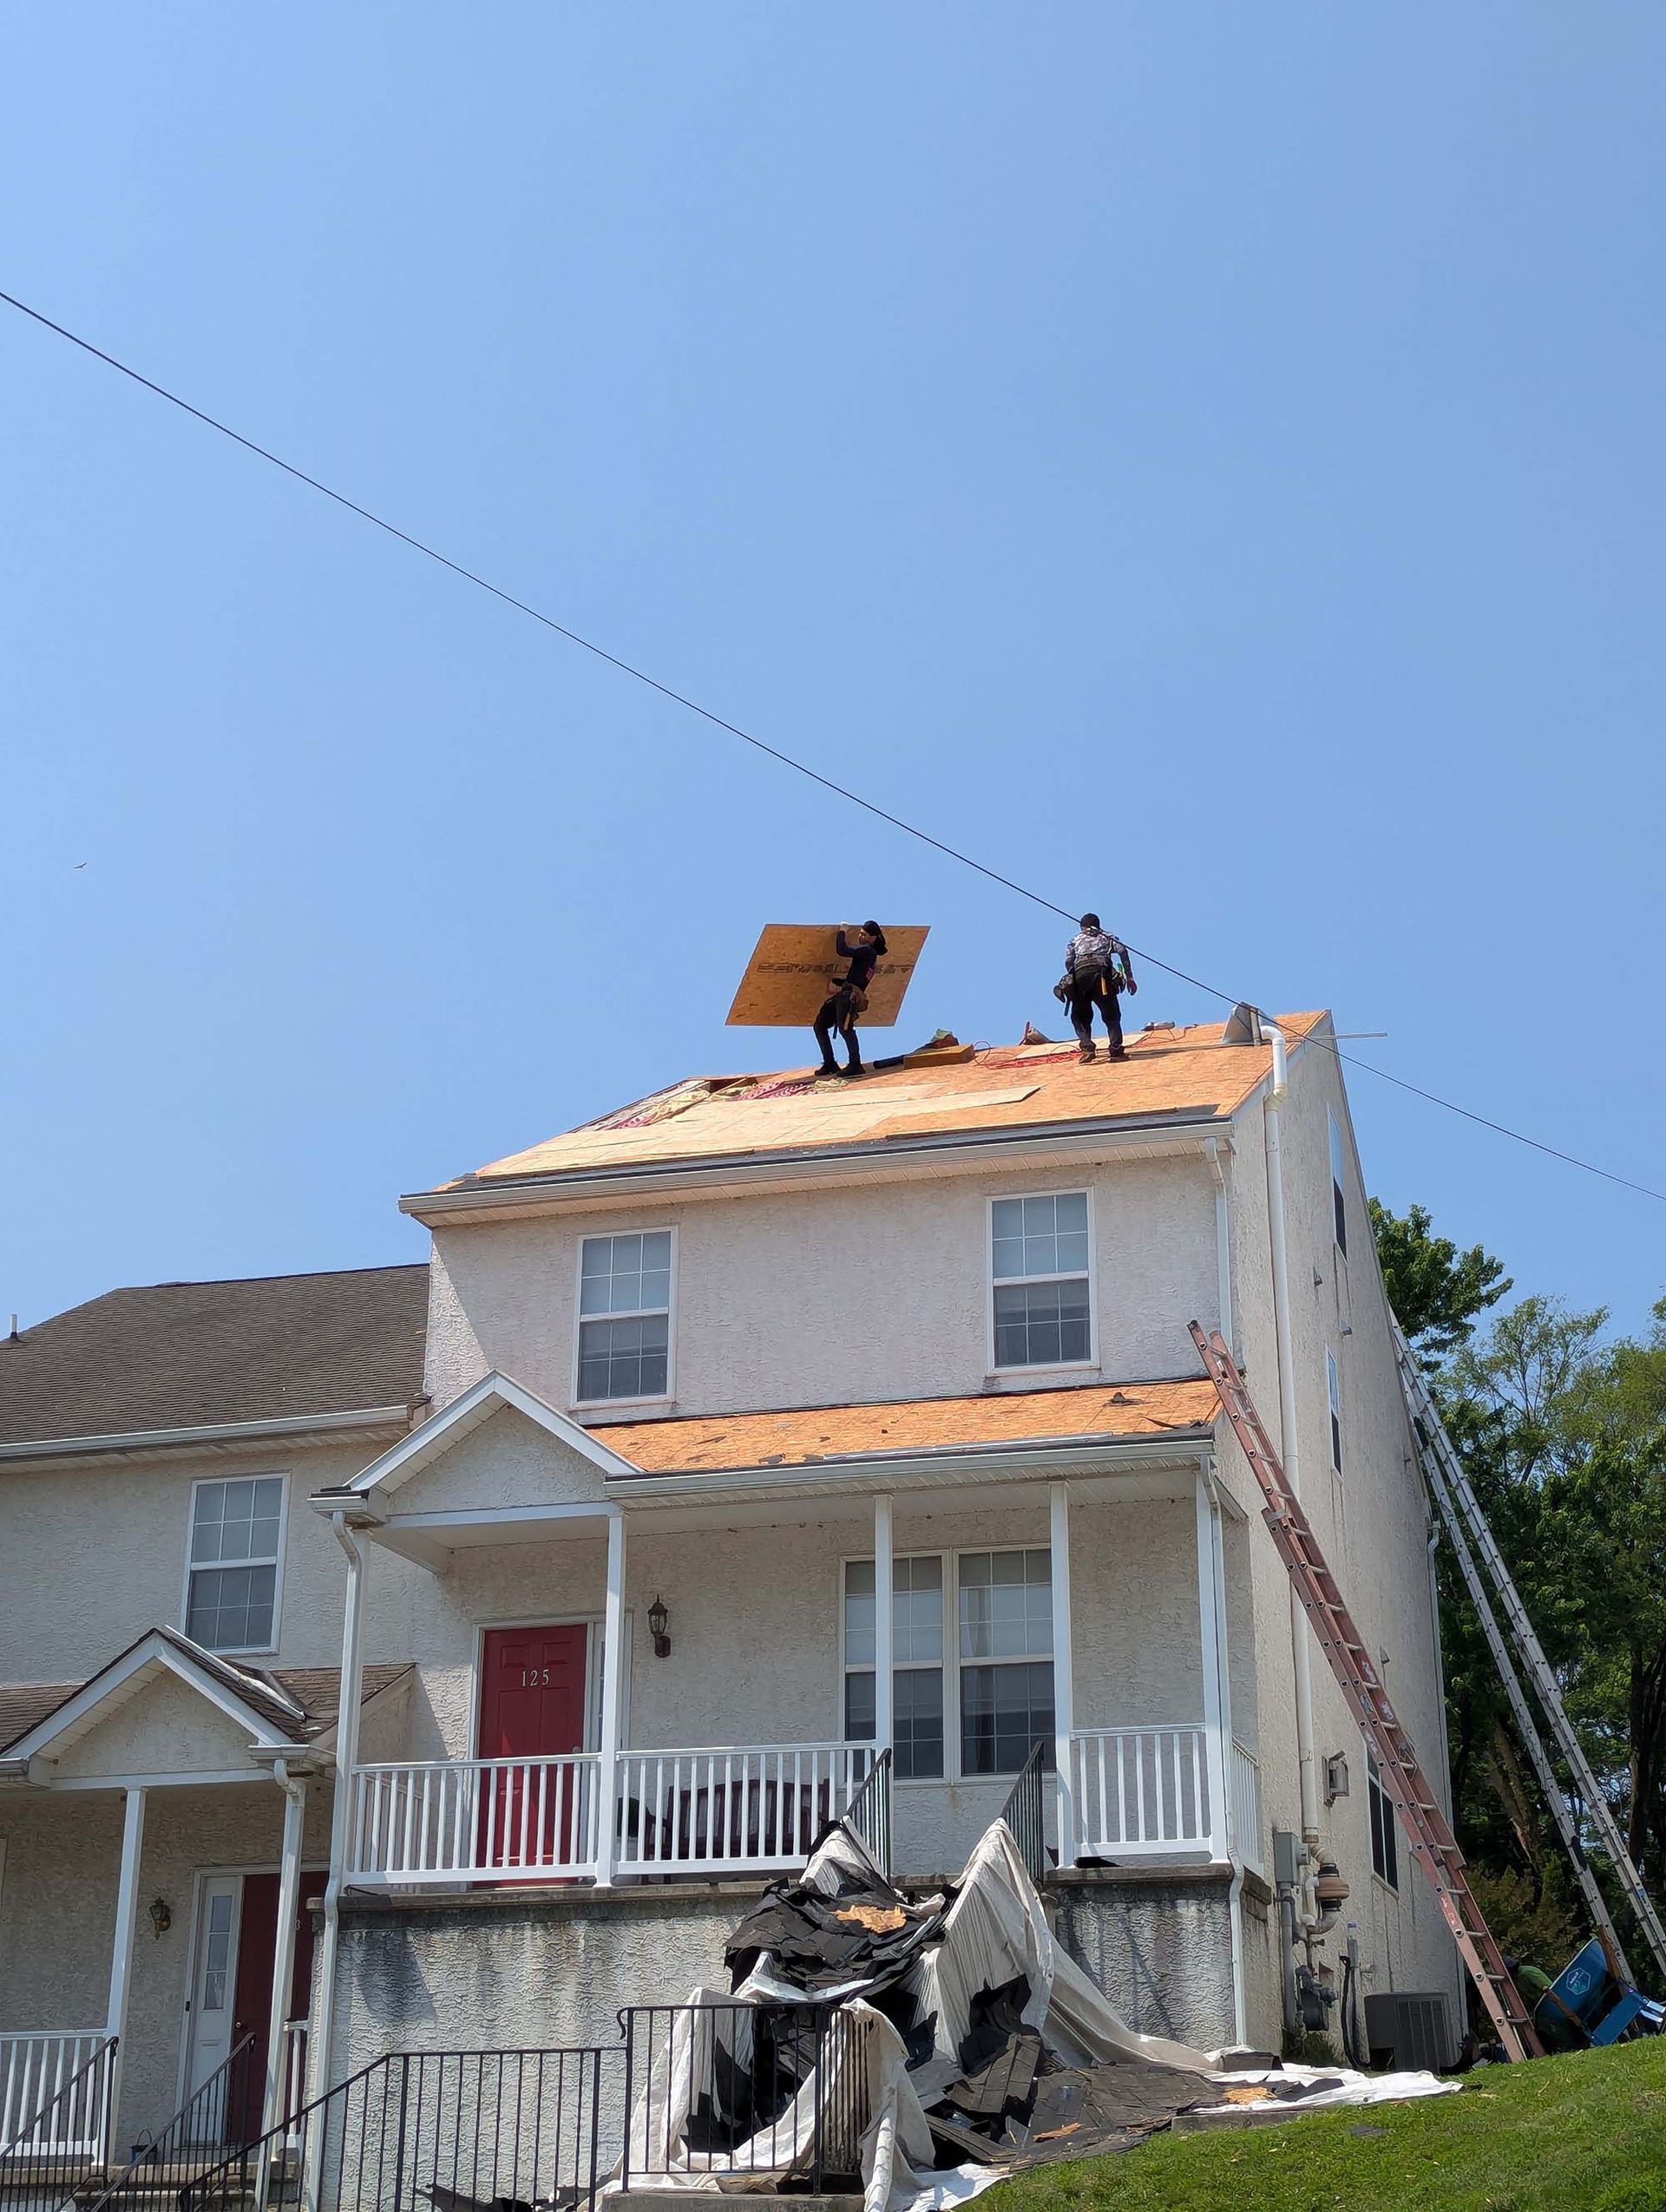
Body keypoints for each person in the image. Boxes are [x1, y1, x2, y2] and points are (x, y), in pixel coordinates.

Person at [814, 922, 888, 1077]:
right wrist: (838, 982)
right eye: (860, 934)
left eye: (864, 935)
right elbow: (857, 977)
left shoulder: (868, 951)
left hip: (849, 997)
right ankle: (829, 1064)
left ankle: (855, 1064)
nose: (861, 937)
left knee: (846, 1029)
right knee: (820, 1025)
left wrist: (842, 931)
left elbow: (842, 950)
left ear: (873, 938)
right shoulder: (868, 955)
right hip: (844, 993)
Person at [1062, 913, 1137, 1063]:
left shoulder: (1075, 940)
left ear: (1082, 927)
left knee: (1079, 1016)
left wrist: (1072, 975)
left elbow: (1069, 960)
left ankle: (1088, 1048)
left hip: (1080, 976)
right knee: (1111, 1014)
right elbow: (1122, 950)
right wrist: (1129, 978)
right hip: (1102, 977)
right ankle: (1116, 1051)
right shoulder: (1108, 937)